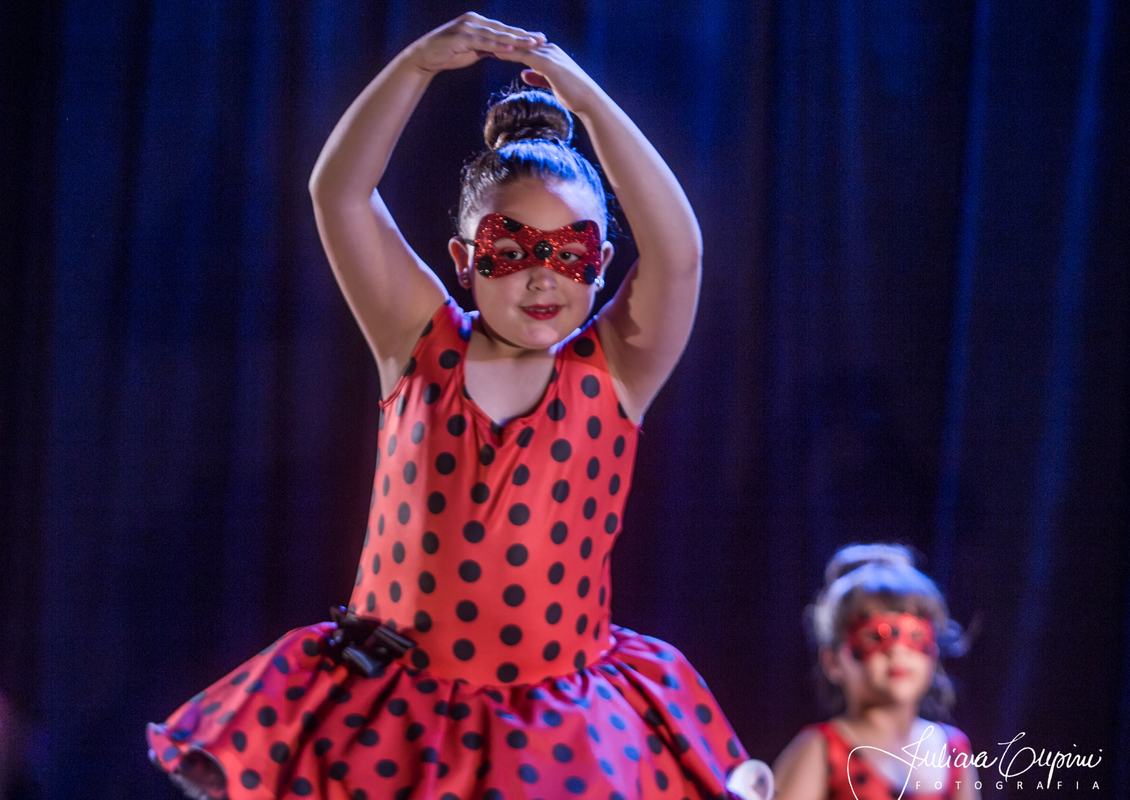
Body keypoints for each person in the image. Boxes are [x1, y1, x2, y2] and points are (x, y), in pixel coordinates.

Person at [147, 13, 764, 800]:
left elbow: (679, 253)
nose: (542, 276)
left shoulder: (617, 369)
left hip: (558, 732)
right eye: (511, 250)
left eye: (570, 253)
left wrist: (588, 99)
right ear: (465, 260)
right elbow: (339, 193)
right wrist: (415, 65)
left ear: (603, 262)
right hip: (393, 719)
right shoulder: (418, 341)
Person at [773, 544, 981, 800]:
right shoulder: (820, 750)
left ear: (934, 652)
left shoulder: (953, 750)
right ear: (833, 662)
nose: (897, 652)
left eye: (915, 636)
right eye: (874, 636)